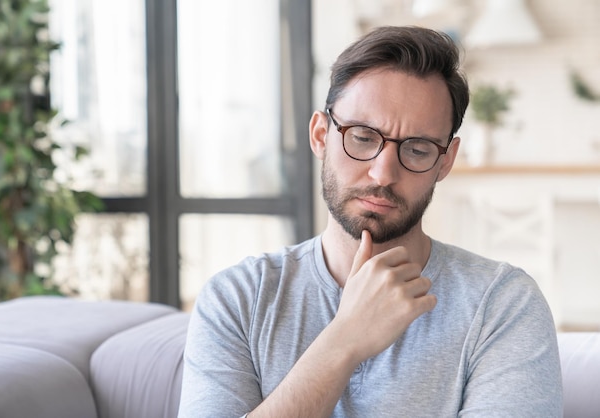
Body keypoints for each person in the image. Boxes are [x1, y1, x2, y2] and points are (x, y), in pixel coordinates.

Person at [177, 25, 563, 417]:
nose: (383, 173)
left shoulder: (503, 305)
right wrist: (344, 341)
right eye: (362, 137)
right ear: (320, 135)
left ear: (445, 161)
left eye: (417, 148)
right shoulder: (237, 299)